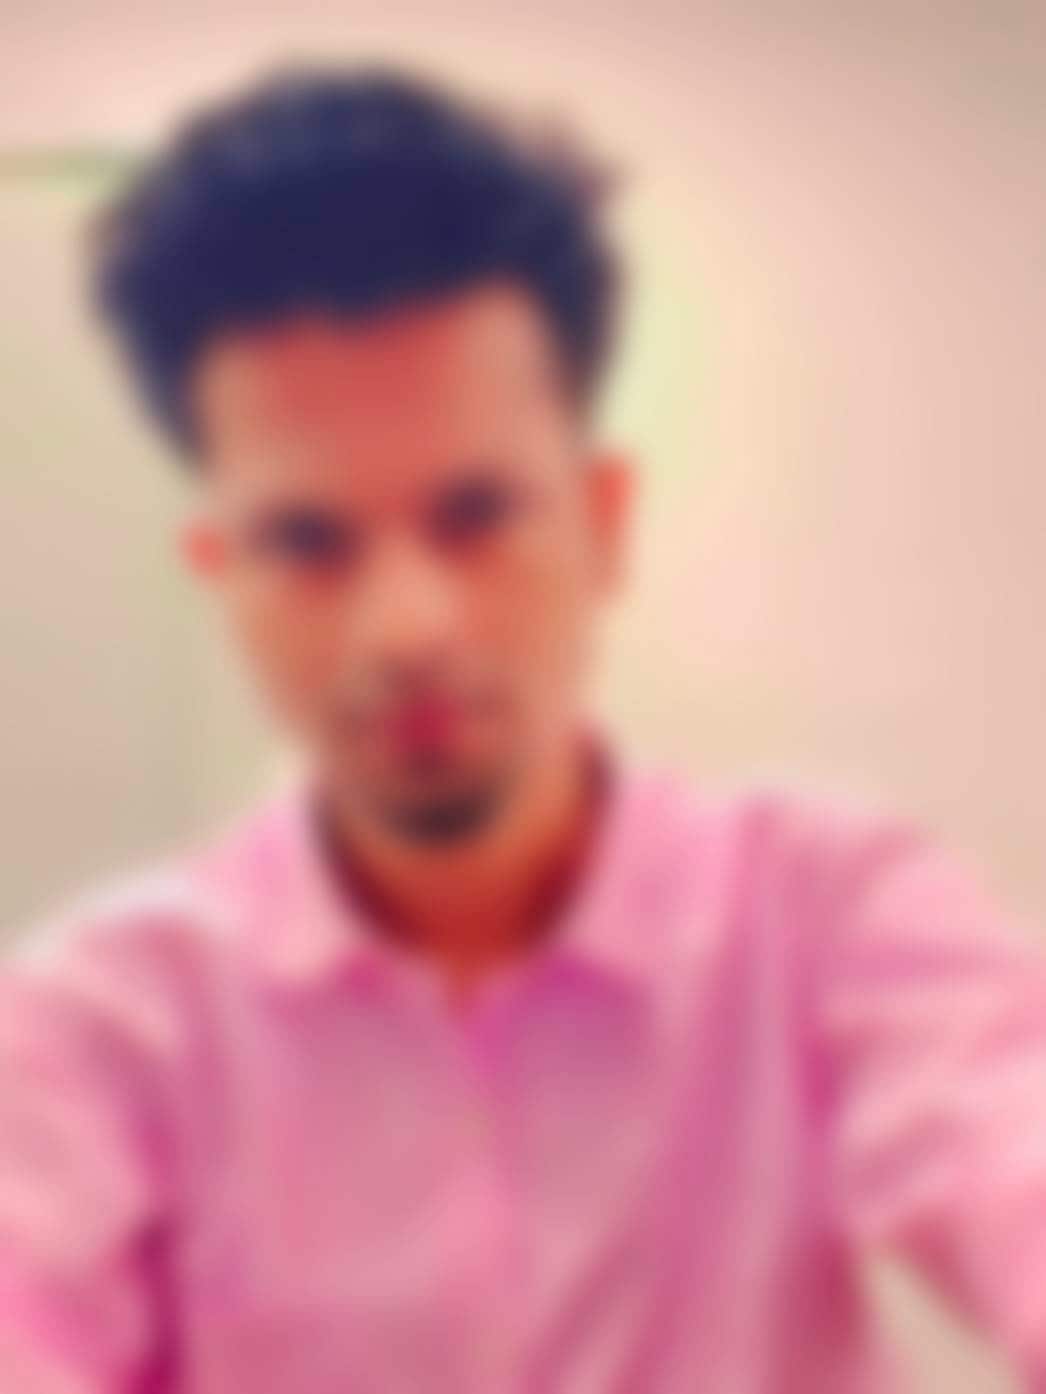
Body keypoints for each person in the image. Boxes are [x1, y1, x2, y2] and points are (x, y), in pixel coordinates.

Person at [1, 62, 1043, 1394]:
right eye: (308, 541)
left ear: (602, 524)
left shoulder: (828, 918)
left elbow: (1011, 1146)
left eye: (477, 514)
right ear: (221, 575)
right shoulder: (100, 1027)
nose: (406, 627)